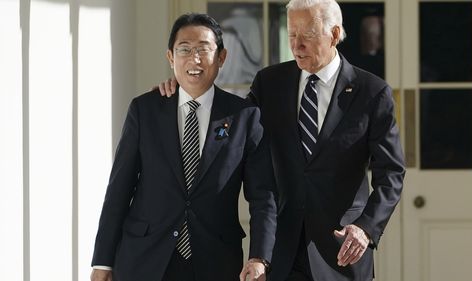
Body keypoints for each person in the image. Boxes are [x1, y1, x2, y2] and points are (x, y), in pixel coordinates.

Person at [159, 0, 405, 280]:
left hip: (341, 250)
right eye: (292, 34)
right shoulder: (270, 83)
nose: (296, 45)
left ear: (335, 35)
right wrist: (186, 90)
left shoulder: (371, 92)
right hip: (281, 249)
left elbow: (392, 173)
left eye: (308, 34)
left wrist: (366, 227)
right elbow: (231, 121)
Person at [91, 13, 277, 281]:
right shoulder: (144, 110)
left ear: (221, 57)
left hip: (216, 261)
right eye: (185, 49)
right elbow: (119, 189)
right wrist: (103, 262)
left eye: (204, 49)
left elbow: (263, 197)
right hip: (145, 259)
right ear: (170, 57)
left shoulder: (245, 116)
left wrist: (259, 258)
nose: (195, 59)